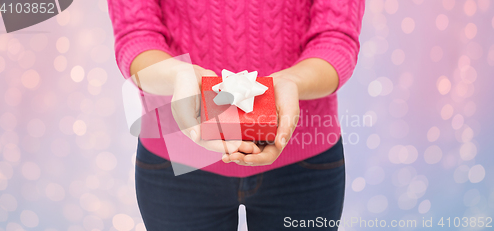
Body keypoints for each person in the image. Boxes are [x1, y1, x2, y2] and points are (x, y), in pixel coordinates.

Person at [107, 0, 364, 230]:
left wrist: (293, 82)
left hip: (304, 158)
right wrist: (179, 77)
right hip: (174, 156)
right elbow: (136, 34)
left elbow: (336, 38)